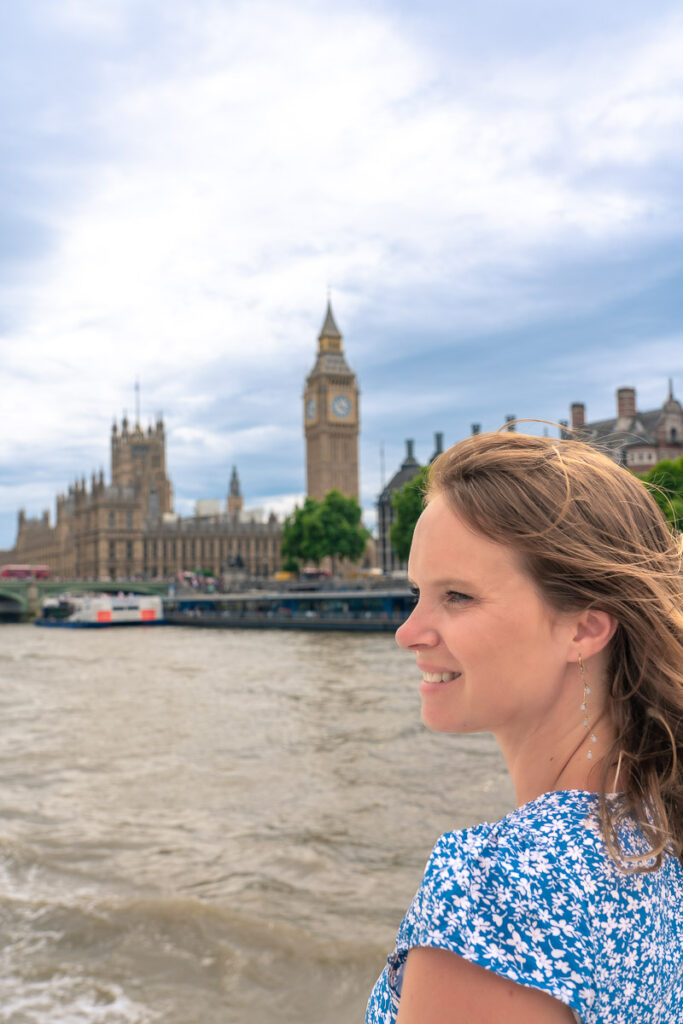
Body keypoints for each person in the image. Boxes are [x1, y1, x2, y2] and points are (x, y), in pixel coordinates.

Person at [365, 430, 683, 1024]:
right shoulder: (660, 832)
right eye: (417, 593)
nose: (408, 631)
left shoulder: (501, 896)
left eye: (456, 595)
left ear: (584, 629)